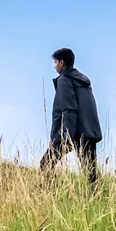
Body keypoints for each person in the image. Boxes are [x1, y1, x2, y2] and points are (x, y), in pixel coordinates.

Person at [40, 47, 103, 187]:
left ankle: (50, 193)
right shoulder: (83, 81)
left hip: (71, 132)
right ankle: (97, 197)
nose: (54, 66)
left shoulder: (64, 80)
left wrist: (66, 136)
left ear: (62, 63)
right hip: (88, 132)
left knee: (45, 163)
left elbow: (69, 109)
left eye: (56, 62)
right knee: (91, 173)